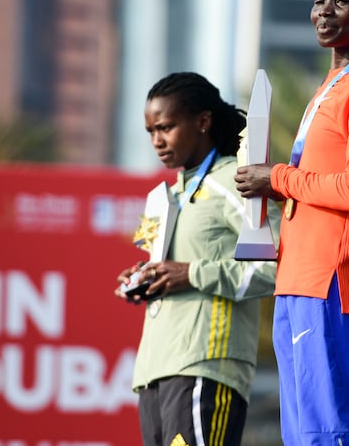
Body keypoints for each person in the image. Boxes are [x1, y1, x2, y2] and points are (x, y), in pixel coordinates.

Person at [234, 0, 349, 445]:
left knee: (330, 429)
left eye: (341, 0)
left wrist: (278, 178)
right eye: (318, 0)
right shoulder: (332, 84)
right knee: (303, 432)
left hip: (332, 278)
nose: (323, 11)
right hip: (298, 278)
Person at [114, 72, 282, 446]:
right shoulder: (166, 195)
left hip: (208, 365)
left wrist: (192, 273)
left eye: (166, 127)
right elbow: (171, 272)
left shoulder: (237, 182)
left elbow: (277, 268)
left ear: (202, 121)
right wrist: (145, 280)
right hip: (155, 370)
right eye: (150, 131)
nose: (157, 141)